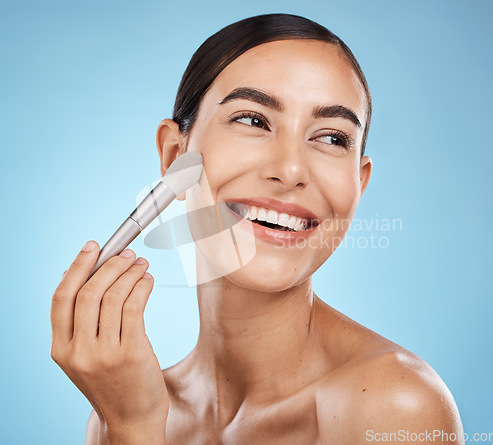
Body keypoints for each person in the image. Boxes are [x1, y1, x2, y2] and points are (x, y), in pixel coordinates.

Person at [50, 13, 464, 444]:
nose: (289, 170)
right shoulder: (124, 405)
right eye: (253, 120)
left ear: (358, 184)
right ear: (176, 154)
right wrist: (131, 424)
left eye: (332, 138)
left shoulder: (394, 407)